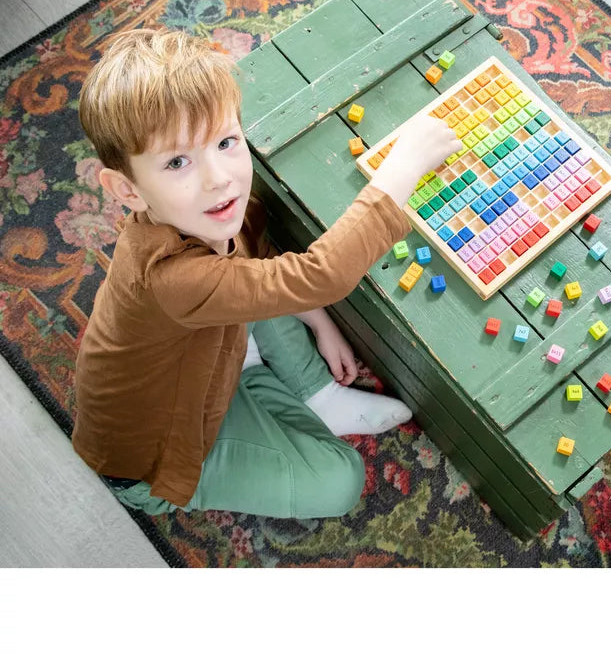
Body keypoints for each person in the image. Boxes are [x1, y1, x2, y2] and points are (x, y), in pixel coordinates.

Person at [72, 27, 460, 519]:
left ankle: (313, 395)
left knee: (252, 275)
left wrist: (317, 322)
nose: (218, 177)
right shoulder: (172, 277)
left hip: (195, 365)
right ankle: (274, 386)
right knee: (340, 481)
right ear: (127, 191)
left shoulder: (193, 216)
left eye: (226, 141)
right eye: (177, 162)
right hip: (158, 457)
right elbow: (321, 275)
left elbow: (260, 272)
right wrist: (402, 167)